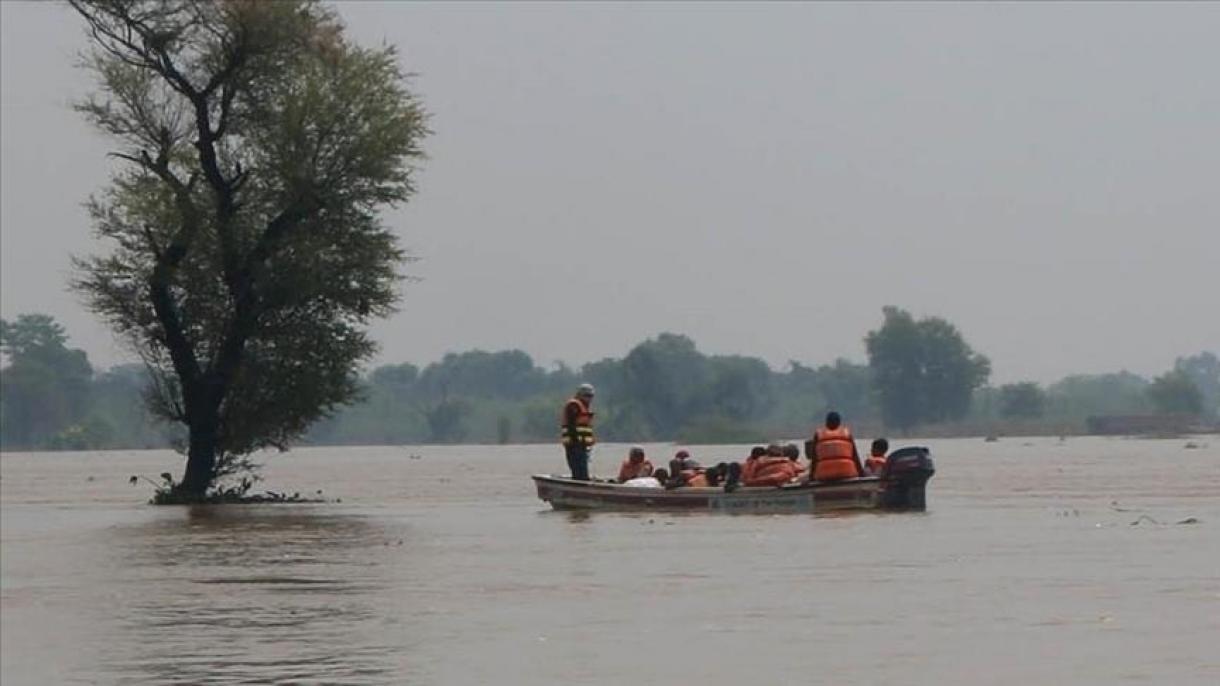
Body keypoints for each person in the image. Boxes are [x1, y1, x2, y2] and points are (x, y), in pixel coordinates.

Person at [809, 411, 864, 482]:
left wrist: (811, 478)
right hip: (846, 474)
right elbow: (855, 457)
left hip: (824, 476)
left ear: (826, 423)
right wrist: (862, 474)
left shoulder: (818, 435)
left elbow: (815, 459)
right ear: (839, 423)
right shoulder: (847, 433)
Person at [560, 383, 596, 480]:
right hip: (574, 444)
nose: (589, 398)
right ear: (580, 395)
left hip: (581, 445)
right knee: (579, 471)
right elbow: (571, 425)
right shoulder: (574, 405)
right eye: (587, 396)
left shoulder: (584, 406)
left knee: (582, 471)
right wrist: (576, 441)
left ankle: (583, 483)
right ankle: (581, 485)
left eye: (591, 396)